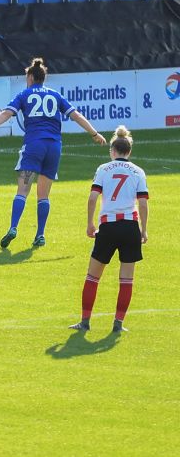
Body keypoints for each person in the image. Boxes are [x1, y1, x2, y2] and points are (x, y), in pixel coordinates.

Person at [0, 57, 107, 248]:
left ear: (30, 77)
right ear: (44, 78)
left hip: (34, 145)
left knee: (23, 190)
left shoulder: (24, 95)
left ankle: (13, 227)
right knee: (43, 195)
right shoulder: (55, 95)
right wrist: (94, 133)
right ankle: (40, 234)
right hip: (54, 147)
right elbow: (76, 115)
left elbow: (6, 114)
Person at [71, 126, 149, 333]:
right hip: (130, 227)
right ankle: (118, 324)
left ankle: (85, 322)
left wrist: (90, 223)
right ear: (129, 151)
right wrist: (144, 229)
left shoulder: (103, 169)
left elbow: (93, 198)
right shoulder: (138, 172)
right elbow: (142, 204)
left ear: (112, 151)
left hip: (108, 226)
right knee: (126, 279)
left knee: (92, 277)